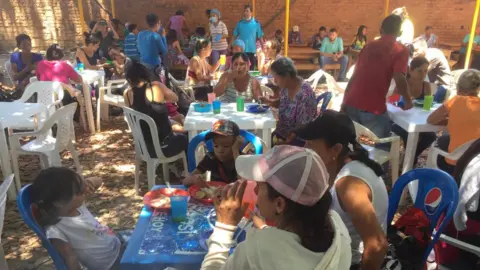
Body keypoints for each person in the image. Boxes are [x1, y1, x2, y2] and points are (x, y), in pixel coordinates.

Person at [200, 145, 352, 269]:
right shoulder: (337, 227)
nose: (255, 191)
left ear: (279, 204)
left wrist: (224, 228)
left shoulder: (259, 250)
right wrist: (266, 231)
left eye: (259, 186)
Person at [294, 110, 388, 269]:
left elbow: (377, 245)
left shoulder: (349, 184)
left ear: (336, 150)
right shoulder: (338, 166)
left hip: (351, 263)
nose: (305, 148)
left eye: (310, 144)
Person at [30, 167, 120, 270]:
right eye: (79, 191)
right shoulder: (56, 229)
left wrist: (87, 182)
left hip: (117, 243)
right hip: (110, 264)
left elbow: (99, 180)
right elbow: (70, 258)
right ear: (59, 201)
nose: (84, 192)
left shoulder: (76, 204)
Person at [342, 14, 413, 140]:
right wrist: (408, 100)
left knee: (353, 144)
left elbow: (355, 74)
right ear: (400, 32)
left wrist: (344, 100)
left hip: (351, 101)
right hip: (372, 107)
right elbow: (399, 77)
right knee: (379, 149)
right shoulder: (401, 50)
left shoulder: (368, 46)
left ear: (381, 30)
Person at [123, 61, 188, 157]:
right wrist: (163, 98)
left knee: (177, 120)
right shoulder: (155, 86)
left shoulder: (127, 94)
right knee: (189, 137)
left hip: (144, 148)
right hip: (164, 147)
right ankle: (188, 168)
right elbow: (175, 98)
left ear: (129, 79)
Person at [427, 69, 480, 175]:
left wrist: (450, 120)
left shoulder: (455, 100)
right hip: (474, 164)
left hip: (453, 162)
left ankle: (431, 176)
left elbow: (431, 120)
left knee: (440, 140)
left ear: (459, 87)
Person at [391, 56, 437, 167]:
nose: (423, 74)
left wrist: (426, 103)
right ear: (411, 70)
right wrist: (402, 101)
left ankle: (411, 157)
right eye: (419, 71)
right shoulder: (403, 83)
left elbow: (428, 104)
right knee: (409, 135)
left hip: (418, 119)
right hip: (399, 120)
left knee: (430, 136)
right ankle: (409, 162)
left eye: (426, 71)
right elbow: (392, 100)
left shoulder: (426, 85)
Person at [260, 57, 316, 146]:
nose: (274, 81)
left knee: (267, 146)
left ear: (286, 75)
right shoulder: (285, 87)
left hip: (299, 139)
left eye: (276, 77)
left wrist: (286, 142)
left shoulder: (304, 93)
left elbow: (303, 126)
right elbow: (283, 102)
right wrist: (269, 102)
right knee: (262, 141)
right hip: (282, 133)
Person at [183, 120, 244, 186]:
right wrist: (193, 179)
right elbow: (185, 181)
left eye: (226, 146)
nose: (220, 150)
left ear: (236, 143)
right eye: (216, 145)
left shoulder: (243, 159)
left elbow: (243, 182)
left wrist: (235, 151)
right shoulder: (210, 158)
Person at [137, 13, 167, 80]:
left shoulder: (140, 34)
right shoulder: (156, 36)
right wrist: (163, 36)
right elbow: (164, 52)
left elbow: (139, 49)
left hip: (142, 65)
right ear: (158, 23)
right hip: (154, 67)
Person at [233, 4, 264, 70]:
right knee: (241, 69)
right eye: (244, 11)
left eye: (247, 11)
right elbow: (234, 36)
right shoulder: (240, 23)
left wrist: (263, 47)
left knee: (251, 70)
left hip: (251, 50)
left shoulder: (256, 23)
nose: (245, 13)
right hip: (241, 51)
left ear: (251, 12)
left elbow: (260, 36)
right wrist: (231, 46)